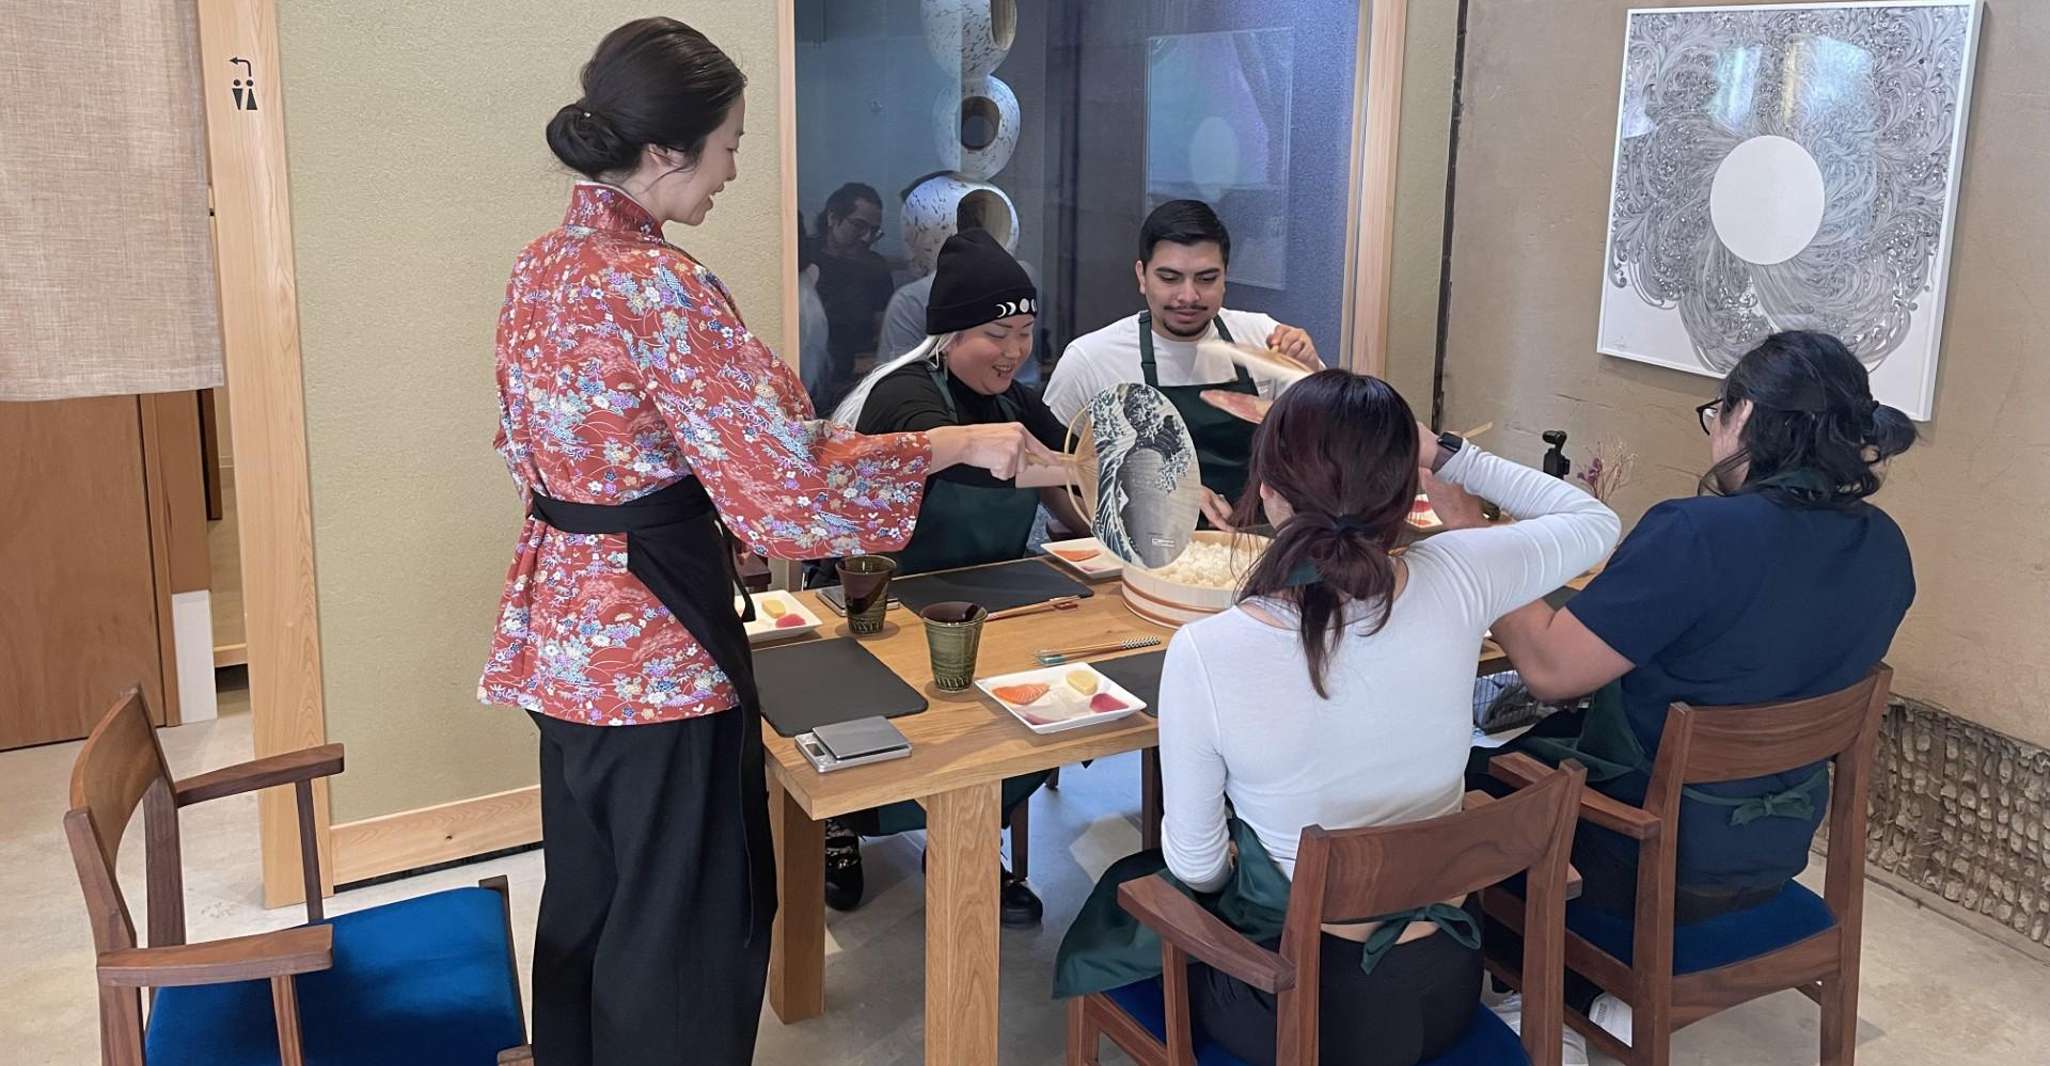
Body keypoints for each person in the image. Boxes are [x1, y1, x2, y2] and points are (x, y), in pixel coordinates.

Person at [481, 19, 1045, 1066]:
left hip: (561, 625)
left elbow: (525, 444)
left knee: (594, 900)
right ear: (664, 152)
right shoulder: (659, 285)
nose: (736, 166)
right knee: (686, 926)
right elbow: (784, 492)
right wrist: (947, 444)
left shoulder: (542, 266)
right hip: (657, 645)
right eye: (730, 141)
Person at [1054, 370, 1619, 1066]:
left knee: (1132, 894)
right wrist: (1444, 452)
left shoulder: (1209, 650)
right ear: (1405, 493)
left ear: (1267, 490)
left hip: (1299, 1013)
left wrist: (1244, 851)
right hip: (1444, 986)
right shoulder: (1464, 572)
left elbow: (1196, 869)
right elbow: (1596, 521)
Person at [1478, 330, 1918, 1042]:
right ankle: (1593, 991)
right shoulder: (1885, 544)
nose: (1714, 427)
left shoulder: (1698, 533)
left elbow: (1551, 672)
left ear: (1749, 417)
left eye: (1720, 409)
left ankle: (1544, 990)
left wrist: (1475, 541)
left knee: (1477, 772)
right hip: (1774, 850)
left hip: (1646, 861)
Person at [820, 229, 1085, 924]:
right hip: (885, 595)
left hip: (984, 597)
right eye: (996, 333)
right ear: (949, 333)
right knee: (878, 711)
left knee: (1047, 701)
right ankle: (838, 823)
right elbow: (941, 454)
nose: (1014, 352)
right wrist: (981, 448)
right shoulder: (905, 394)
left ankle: (964, 835)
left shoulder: (1013, 400)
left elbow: (1066, 462)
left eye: (1026, 332)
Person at [1043, 199, 1321, 523]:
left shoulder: (1263, 340)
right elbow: (1051, 476)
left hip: (1253, 546)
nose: (1188, 296)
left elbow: (1336, 440)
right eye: (1170, 278)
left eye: (1206, 279)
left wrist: (1311, 369)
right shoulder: (1090, 359)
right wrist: (1115, 542)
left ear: (1225, 278)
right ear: (1142, 275)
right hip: (1140, 553)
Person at [811, 181, 896, 410]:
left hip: (858, 378)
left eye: (874, 231)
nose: (866, 238)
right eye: (859, 226)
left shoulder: (875, 268)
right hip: (809, 374)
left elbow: (883, 332)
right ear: (832, 217)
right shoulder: (804, 257)